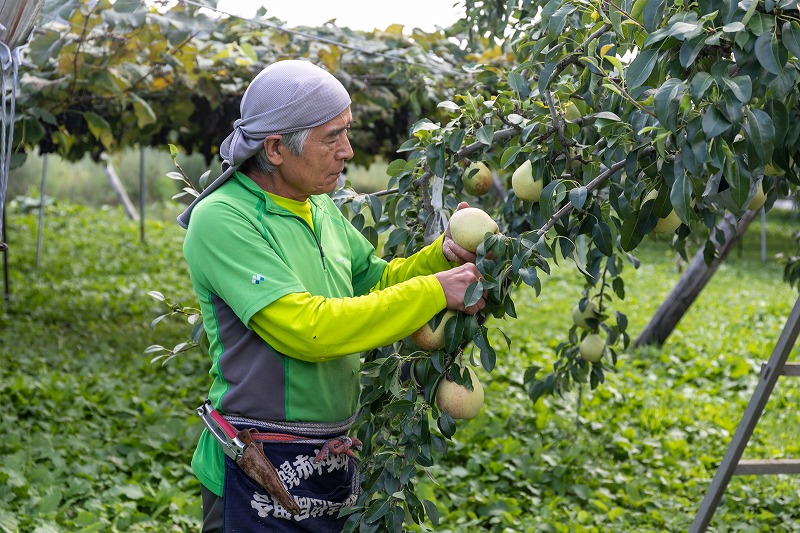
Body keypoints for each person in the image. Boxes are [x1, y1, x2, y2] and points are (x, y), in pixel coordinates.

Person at [178, 59, 485, 532]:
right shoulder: (224, 218)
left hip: (328, 462)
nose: (347, 150)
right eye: (332, 136)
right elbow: (309, 330)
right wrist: (434, 291)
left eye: (347, 132)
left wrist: (440, 258)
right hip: (255, 468)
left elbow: (377, 282)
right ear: (277, 148)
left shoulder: (318, 207)